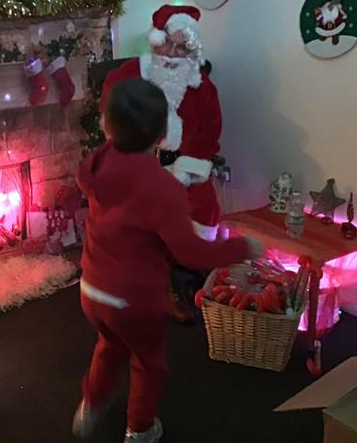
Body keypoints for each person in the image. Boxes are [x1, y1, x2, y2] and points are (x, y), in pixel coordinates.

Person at [74, 79, 260, 442]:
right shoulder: (162, 189)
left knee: (109, 345)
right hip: (133, 301)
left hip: (92, 289)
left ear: (107, 127)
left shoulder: (96, 163)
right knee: (148, 364)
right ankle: (140, 429)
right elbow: (191, 253)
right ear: (163, 134)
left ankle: (90, 406)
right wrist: (243, 249)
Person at [100, 4, 224, 322]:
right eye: (168, 43)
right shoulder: (132, 74)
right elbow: (112, 111)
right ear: (157, 41)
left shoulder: (202, 87)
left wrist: (188, 167)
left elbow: (210, 131)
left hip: (184, 165)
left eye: (182, 47)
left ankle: (184, 277)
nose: (173, 53)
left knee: (204, 207)